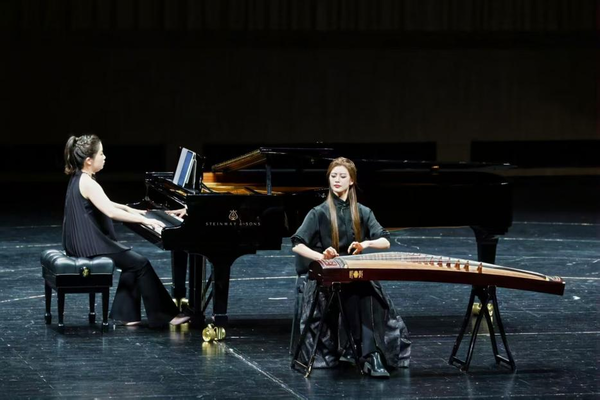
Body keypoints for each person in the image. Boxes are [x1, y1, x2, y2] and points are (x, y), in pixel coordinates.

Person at [291, 157, 411, 378]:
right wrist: (322, 256)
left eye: (342, 176)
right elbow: (297, 244)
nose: (337, 180)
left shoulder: (362, 211)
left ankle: (369, 354)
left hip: (354, 273)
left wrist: (365, 244)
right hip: (328, 275)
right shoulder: (319, 212)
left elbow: (385, 240)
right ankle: (364, 352)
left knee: (367, 290)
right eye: (333, 176)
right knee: (357, 288)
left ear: (352, 181)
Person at [62, 134, 190, 328]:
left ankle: (127, 314)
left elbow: (106, 203)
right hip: (88, 246)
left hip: (79, 242)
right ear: (89, 160)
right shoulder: (88, 183)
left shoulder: (80, 177)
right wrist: (144, 220)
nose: (104, 157)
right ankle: (166, 315)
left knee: (130, 261)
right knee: (140, 263)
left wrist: (131, 210)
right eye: (101, 154)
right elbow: (110, 212)